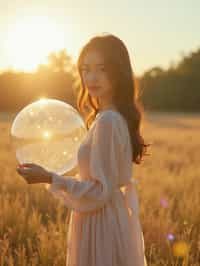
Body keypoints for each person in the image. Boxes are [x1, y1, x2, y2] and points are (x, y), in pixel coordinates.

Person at [17, 33, 150, 266]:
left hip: (102, 223)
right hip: (106, 217)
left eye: (102, 69)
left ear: (118, 71)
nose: (91, 77)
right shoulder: (107, 116)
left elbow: (100, 191)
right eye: (86, 69)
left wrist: (49, 177)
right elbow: (101, 184)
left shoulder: (108, 120)